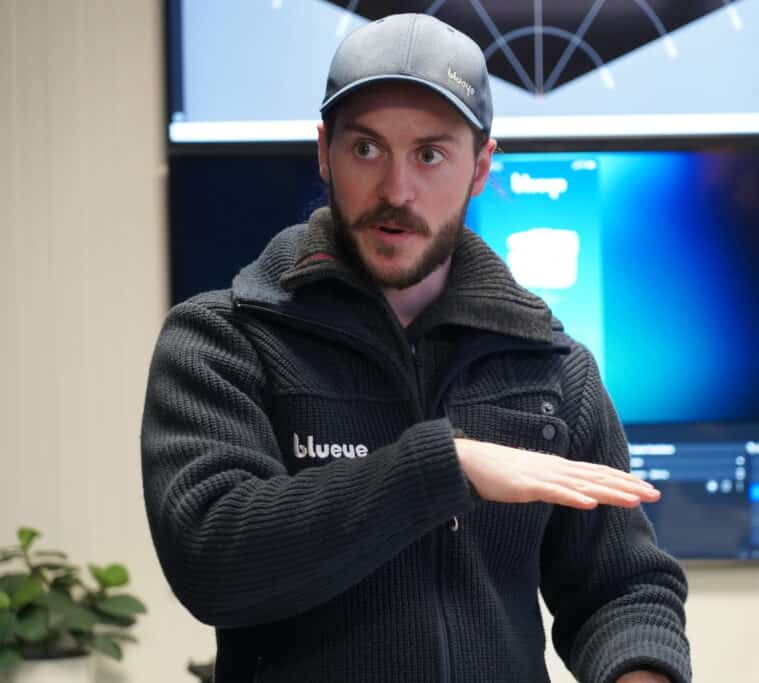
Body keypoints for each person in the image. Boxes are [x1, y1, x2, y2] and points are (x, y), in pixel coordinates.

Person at [142, 13, 691, 683]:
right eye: (366, 150)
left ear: (481, 166)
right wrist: (443, 467)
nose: (396, 190)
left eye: (430, 154)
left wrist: (642, 670)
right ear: (325, 152)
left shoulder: (552, 368)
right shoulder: (224, 340)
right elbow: (213, 559)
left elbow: (622, 589)